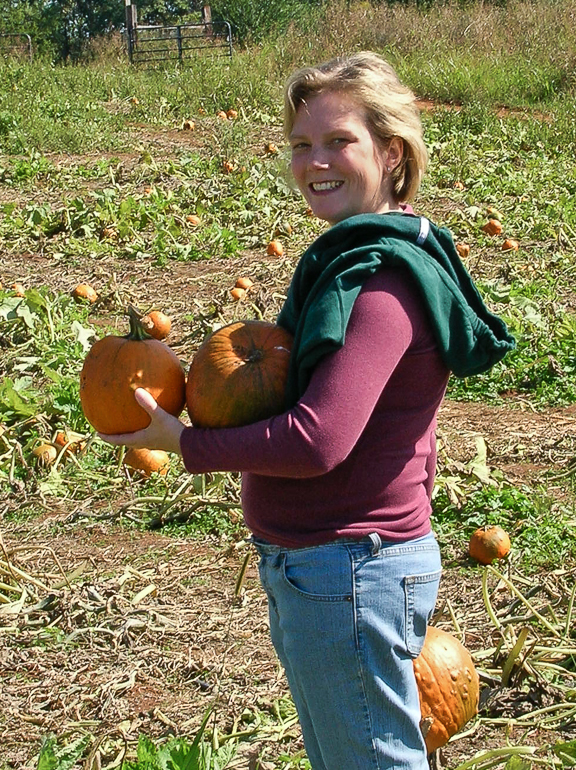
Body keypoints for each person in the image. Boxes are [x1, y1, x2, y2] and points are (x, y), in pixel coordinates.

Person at [99, 52, 514, 769]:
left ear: (391, 151)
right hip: (333, 564)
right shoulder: (358, 261)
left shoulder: (380, 284)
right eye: (301, 144)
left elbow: (321, 439)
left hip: (348, 568)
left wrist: (185, 443)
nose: (314, 160)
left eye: (338, 141)